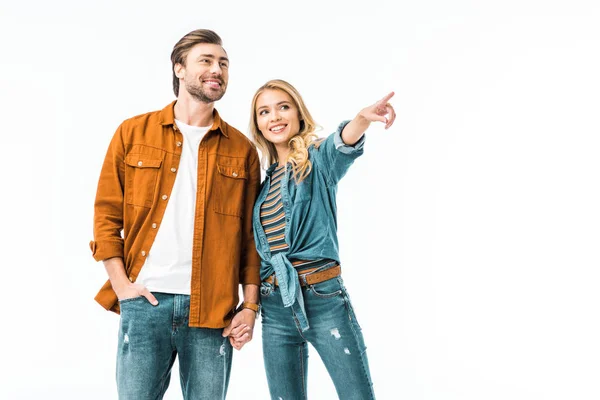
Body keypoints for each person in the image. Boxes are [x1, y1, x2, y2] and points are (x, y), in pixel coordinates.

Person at [89, 29, 261, 400]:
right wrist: (121, 285)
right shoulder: (133, 133)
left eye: (224, 63)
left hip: (213, 311)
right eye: (207, 60)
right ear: (179, 68)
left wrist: (249, 306)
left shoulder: (242, 150)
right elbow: (106, 216)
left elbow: (250, 239)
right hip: (145, 301)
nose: (218, 69)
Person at [247, 79, 396, 399]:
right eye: (264, 111)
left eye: (283, 107)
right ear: (258, 125)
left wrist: (362, 119)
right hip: (274, 306)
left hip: (322, 297)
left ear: (299, 114)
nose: (274, 116)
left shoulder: (317, 160)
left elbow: (343, 142)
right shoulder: (262, 186)